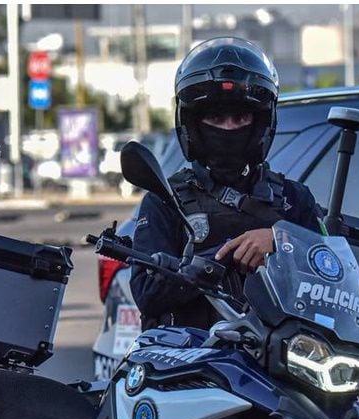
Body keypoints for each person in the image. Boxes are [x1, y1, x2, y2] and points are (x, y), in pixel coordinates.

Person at [129, 37, 325, 331]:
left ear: (260, 123)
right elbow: (147, 293)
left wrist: (281, 241)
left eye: (241, 117)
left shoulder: (294, 199)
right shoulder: (166, 199)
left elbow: (331, 271)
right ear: (193, 124)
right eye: (216, 117)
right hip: (190, 362)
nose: (229, 128)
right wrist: (221, 257)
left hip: (280, 361)